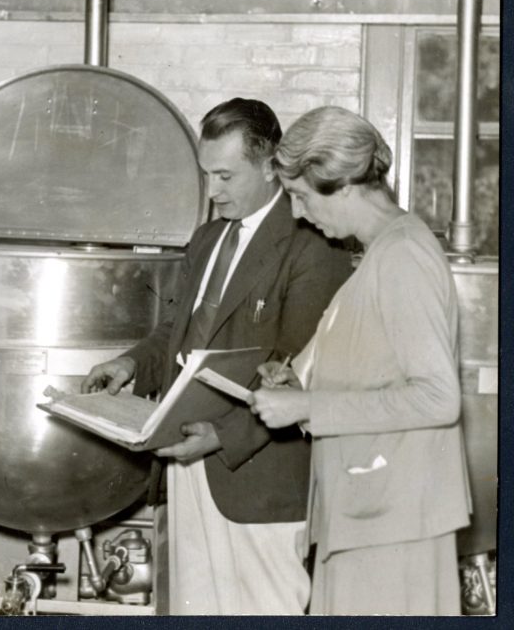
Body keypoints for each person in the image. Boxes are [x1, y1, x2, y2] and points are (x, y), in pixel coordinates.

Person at [83, 98, 352, 615]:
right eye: (207, 175)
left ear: (271, 164)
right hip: (186, 468)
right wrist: (133, 364)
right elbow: (176, 331)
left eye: (225, 176)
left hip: (257, 481)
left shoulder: (313, 246)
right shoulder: (207, 238)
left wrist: (221, 436)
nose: (212, 192)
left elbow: (303, 373)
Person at [251, 106, 471, 615]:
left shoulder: (402, 255)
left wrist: (307, 408)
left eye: (302, 198)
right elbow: (372, 368)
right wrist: (296, 380)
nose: (301, 214)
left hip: (392, 521)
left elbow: (439, 399)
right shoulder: (380, 252)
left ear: (343, 186)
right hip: (370, 511)